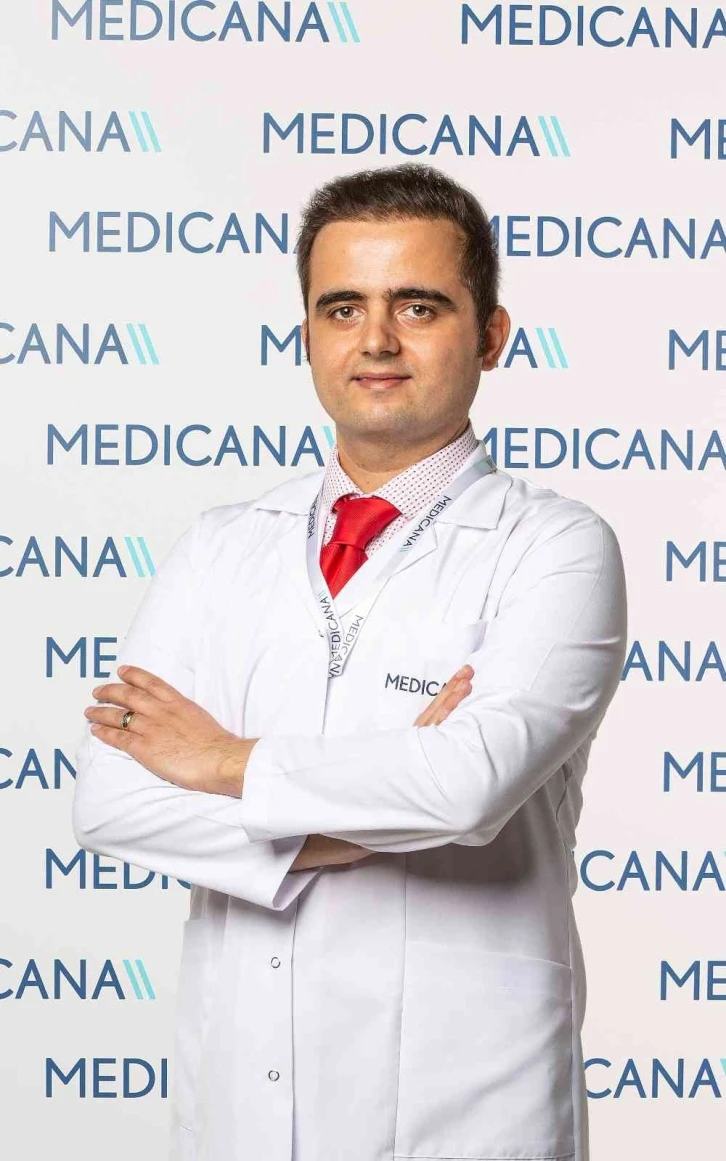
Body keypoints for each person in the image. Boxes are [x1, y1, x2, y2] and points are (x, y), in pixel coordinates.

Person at [73, 161, 627, 1161]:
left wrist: (224, 762)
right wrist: (351, 830)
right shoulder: (221, 547)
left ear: (491, 335)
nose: (376, 339)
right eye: (343, 308)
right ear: (307, 336)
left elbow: (464, 787)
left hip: (467, 1111)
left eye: (418, 305)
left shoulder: (555, 547)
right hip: (242, 1108)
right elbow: (112, 802)